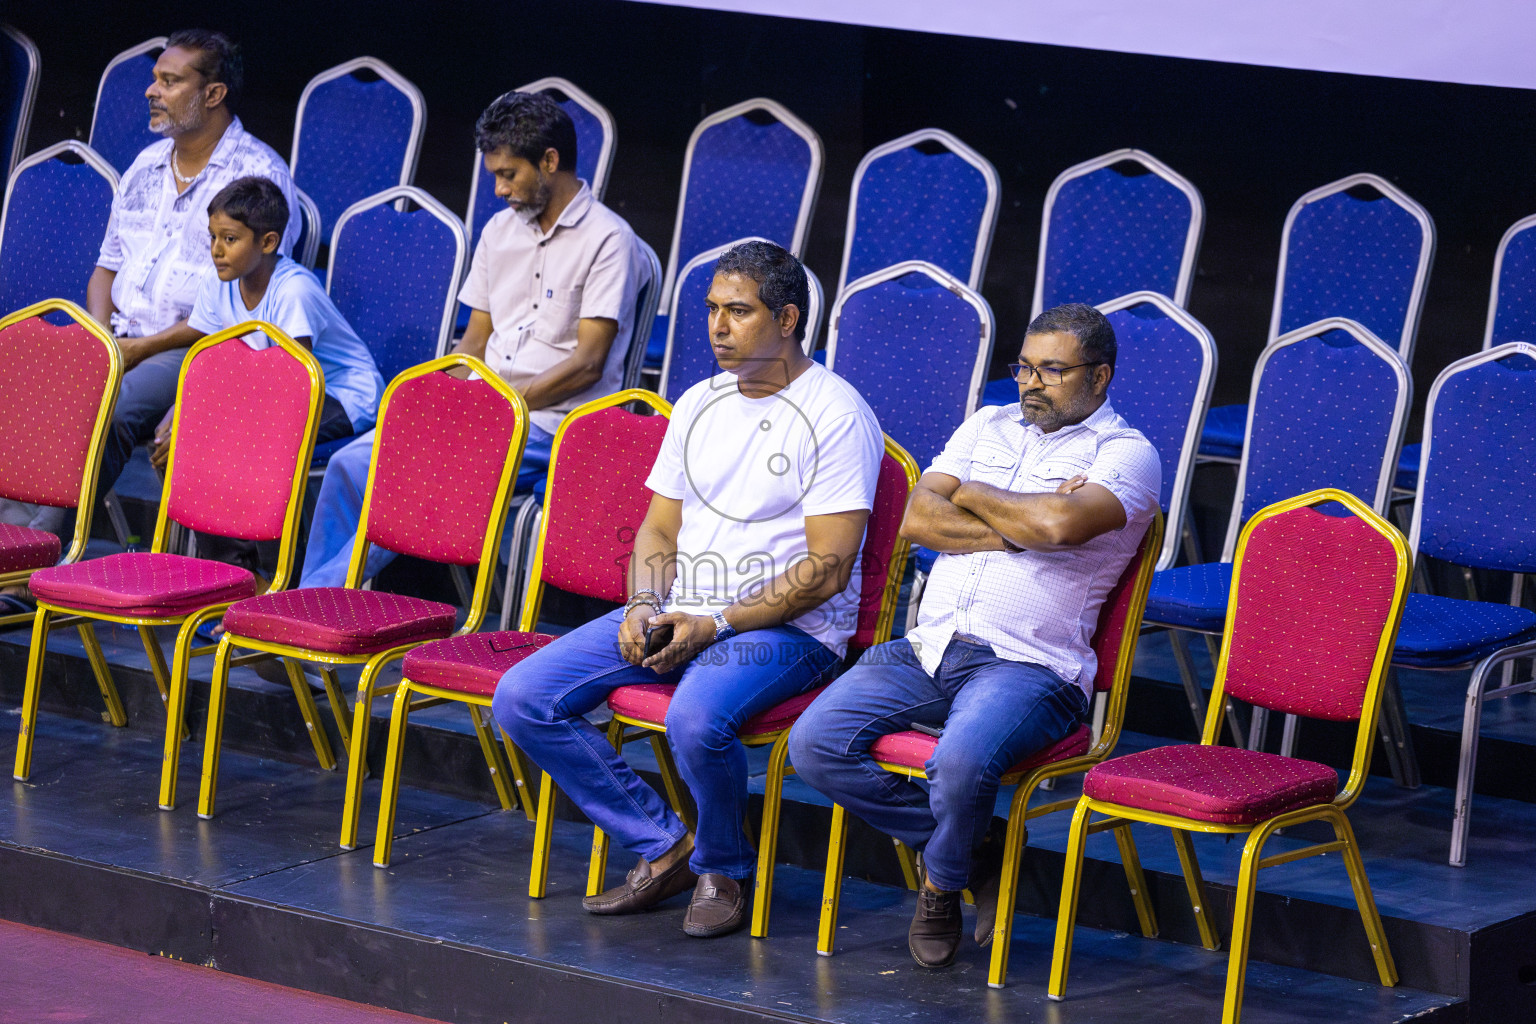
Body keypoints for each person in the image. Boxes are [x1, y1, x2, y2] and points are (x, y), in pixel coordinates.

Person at [493, 241, 883, 939]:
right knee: (523, 697)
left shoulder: (836, 414)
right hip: (684, 608)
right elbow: (658, 529)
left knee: (696, 720)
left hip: (790, 630)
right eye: (710, 309)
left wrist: (716, 625)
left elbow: (826, 568)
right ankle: (665, 846)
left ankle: (724, 868)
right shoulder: (700, 401)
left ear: (787, 319)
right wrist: (644, 604)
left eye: (739, 311)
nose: (717, 327)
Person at [788, 303, 1160, 969]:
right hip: (929, 647)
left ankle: (939, 887)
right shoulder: (988, 424)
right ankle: (975, 851)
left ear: (1099, 376)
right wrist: (1023, 518)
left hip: (1031, 666)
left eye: (1052, 370)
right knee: (814, 745)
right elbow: (917, 518)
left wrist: (972, 492)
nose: (1030, 384)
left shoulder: (1127, 453)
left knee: (959, 763)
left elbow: (1060, 528)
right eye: (1024, 367)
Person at [296, 90, 648, 588]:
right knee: (352, 462)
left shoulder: (610, 239)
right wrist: (440, 399)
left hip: (555, 423)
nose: (499, 190)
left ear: (550, 162)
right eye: (495, 176)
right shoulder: (499, 231)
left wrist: (495, 408)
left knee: (423, 471)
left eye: (509, 174)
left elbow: (588, 364)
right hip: (484, 406)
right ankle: (313, 599)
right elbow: (473, 344)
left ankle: (315, 602)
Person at [0, 28, 298, 609]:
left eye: (169, 81)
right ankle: (8, 552)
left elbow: (248, 304)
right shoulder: (143, 166)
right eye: (155, 79)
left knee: (106, 408)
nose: (150, 91)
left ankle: (32, 568)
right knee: (30, 390)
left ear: (212, 94)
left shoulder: (256, 173)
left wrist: (135, 351)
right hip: (119, 339)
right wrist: (97, 336)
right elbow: (105, 269)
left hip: (201, 347)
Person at [145, 176, 380, 486]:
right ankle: (192, 515)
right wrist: (185, 408)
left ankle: (248, 518)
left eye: (230, 239)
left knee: (240, 440)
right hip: (274, 391)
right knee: (176, 436)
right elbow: (215, 363)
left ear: (268, 242)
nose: (216, 250)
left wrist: (206, 421)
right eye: (213, 237)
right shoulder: (217, 282)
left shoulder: (294, 291)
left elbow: (290, 386)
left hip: (343, 395)